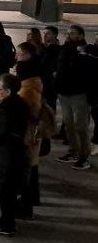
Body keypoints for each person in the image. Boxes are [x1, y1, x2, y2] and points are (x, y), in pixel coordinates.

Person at [0, 73, 29, 236]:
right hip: (15, 151)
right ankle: (6, 220)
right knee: (8, 188)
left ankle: (7, 224)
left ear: (8, 91)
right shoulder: (20, 105)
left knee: (5, 189)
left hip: (6, 153)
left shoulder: (5, 109)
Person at [54, 24, 95, 170]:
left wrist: (83, 54)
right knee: (69, 126)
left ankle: (84, 156)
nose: (69, 35)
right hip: (64, 94)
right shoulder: (64, 49)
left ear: (81, 35)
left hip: (80, 94)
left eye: (73, 33)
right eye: (68, 33)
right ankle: (73, 151)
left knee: (81, 126)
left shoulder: (88, 50)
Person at [15, 42, 46, 219]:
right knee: (31, 169)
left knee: (26, 170)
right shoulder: (33, 82)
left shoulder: (28, 90)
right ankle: (32, 199)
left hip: (27, 136)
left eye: (19, 54)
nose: (16, 57)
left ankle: (26, 207)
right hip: (31, 135)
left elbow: (28, 115)